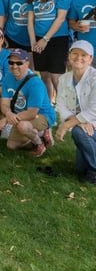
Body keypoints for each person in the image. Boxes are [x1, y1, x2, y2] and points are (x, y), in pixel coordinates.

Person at [26, 0, 73, 101]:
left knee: (56, 76)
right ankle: (49, 106)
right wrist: (33, 41)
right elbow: (30, 21)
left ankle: (66, 109)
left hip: (57, 39)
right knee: (44, 75)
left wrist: (45, 39)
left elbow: (60, 18)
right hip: (38, 39)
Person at [0, 48, 56, 157]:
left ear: (27, 63)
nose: (14, 66)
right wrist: (9, 114)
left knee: (23, 126)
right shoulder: (8, 77)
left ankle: (39, 143)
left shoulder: (35, 83)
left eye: (19, 63)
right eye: (11, 62)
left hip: (42, 115)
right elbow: (4, 104)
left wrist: (6, 119)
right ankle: (39, 133)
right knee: (11, 145)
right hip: (21, 114)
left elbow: (32, 113)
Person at [55, 41, 96, 182]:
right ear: (69, 56)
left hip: (93, 123)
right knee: (80, 168)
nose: (79, 58)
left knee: (78, 133)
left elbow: (94, 110)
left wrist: (67, 125)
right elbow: (60, 105)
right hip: (84, 125)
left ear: (90, 59)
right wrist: (78, 122)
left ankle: (94, 171)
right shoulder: (64, 78)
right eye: (75, 53)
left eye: (84, 55)